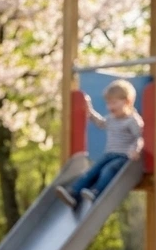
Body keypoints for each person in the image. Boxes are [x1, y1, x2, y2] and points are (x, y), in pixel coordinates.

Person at [58, 80, 144, 208]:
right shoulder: (111, 118)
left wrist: (135, 150)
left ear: (127, 102)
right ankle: (73, 192)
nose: (110, 107)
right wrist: (89, 110)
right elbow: (100, 123)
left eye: (114, 103)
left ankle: (96, 192)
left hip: (124, 157)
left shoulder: (132, 120)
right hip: (109, 154)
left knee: (107, 170)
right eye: (108, 103)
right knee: (93, 170)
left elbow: (140, 137)